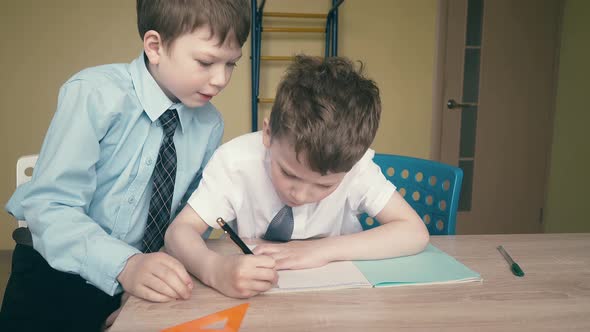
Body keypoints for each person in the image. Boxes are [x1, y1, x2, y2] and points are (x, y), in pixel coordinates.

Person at [0, 1, 250, 331]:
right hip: (54, 274)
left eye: (231, 64)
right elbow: (50, 207)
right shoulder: (94, 93)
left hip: (141, 277)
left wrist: (142, 290)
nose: (220, 79)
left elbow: (189, 218)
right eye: (206, 62)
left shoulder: (210, 124)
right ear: (155, 46)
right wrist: (125, 266)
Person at [165, 55, 430, 299]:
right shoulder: (235, 161)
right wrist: (214, 269)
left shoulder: (356, 167)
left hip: (340, 302)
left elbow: (414, 232)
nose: (300, 195)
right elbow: (179, 231)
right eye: (288, 173)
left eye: (325, 185)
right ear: (268, 133)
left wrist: (321, 251)